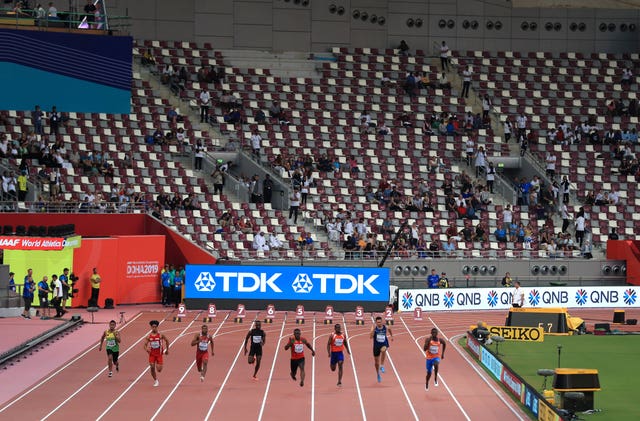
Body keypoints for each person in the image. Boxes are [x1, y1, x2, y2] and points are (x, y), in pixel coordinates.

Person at [144, 320, 170, 387]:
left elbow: (167, 341)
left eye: (155, 327)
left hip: (159, 355)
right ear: (151, 327)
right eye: (153, 327)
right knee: (152, 367)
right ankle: (156, 381)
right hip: (152, 354)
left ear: (157, 327)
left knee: (159, 370)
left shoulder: (161, 335)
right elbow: (144, 345)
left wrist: (167, 350)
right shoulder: (148, 336)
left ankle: (157, 365)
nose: (154, 328)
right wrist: (147, 349)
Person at [371, 316, 393, 383]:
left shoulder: (385, 327)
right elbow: (370, 337)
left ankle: (382, 365)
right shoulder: (373, 327)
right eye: (377, 322)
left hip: (383, 343)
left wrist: (391, 336)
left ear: (382, 321)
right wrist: (373, 330)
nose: (379, 323)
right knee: (376, 363)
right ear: (376, 322)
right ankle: (378, 374)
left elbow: (389, 329)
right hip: (376, 346)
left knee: (384, 350)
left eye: (380, 322)